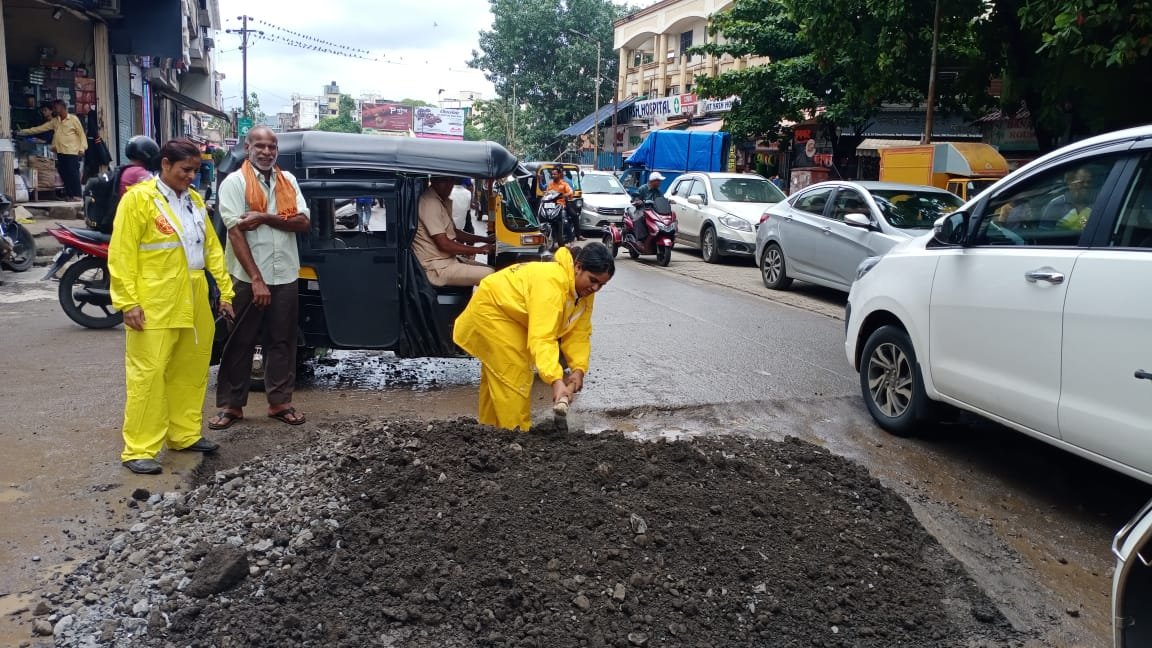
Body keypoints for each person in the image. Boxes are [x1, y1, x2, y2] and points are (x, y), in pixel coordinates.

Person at [107, 139, 235, 475]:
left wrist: (225, 290)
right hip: (154, 299)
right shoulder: (138, 200)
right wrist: (128, 302)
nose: (191, 176)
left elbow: (211, 248)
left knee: (190, 371)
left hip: (193, 295)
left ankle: (184, 434)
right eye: (185, 170)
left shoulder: (193, 201)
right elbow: (121, 254)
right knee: (148, 375)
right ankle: (139, 448)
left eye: (195, 170)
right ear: (165, 165)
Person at [209, 126, 310, 431]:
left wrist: (265, 217)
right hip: (247, 277)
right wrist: (256, 279)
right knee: (240, 340)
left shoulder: (287, 181)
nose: (267, 152)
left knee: (282, 340)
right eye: (260, 146)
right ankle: (231, 405)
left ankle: (280, 402)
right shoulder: (234, 183)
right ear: (248, 147)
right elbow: (236, 232)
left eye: (272, 146)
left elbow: (303, 222)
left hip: (285, 273)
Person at [453, 243, 615, 431]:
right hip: (493, 311)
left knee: (499, 381)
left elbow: (578, 333)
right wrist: (556, 381)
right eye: (593, 280)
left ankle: (490, 433)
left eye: (601, 285)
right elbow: (543, 337)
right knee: (513, 376)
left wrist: (578, 369)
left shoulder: (584, 292)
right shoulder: (552, 284)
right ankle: (516, 436)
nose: (595, 288)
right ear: (578, 267)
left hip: (512, 314)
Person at [413, 175, 495, 287]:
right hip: (436, 267)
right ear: (433, 180)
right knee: (492, 275)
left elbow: (455, 232)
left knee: (491, 269)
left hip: (447, 260)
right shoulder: (429, 202)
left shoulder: (439, 200)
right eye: (444, 180)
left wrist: (485, 240)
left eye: (451, 181)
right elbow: (444, 244)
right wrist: (479, 250)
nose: (449, 186)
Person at [17, 100, 87, 201]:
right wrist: (23, 132)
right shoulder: (56, 121)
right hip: (60, 151)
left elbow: (81, 134)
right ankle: (70, 195)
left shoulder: (73, 119)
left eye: (56, 107)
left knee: (73, 173)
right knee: (63, 172)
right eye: (54, 107)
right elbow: (40, 128)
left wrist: (82, 148)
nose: (55, 109)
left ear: (63, 107)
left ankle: (78, 195)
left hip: (72, 151)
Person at [544, 168, 578, 242]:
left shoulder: (564, 184)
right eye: (552, 174)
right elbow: (546, 193)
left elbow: (571, 192)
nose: (553, 175)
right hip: (552, 206)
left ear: (559, 174)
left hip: (561, 206)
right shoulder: (550, 184)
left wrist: (564, 195)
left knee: (565, 222)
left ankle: (571, 239)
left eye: (555, 174)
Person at [630, 171, 665, 241]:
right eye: (658, 181)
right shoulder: (643, 188)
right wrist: (637, 201)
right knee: (639, 219)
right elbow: (635, 198)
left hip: (654, 211)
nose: (660, 183)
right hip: (642, 210)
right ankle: (640, 239)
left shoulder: (658, 191)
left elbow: (662, 199)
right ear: (653, 181)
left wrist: (667, 201)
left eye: (660, 181)